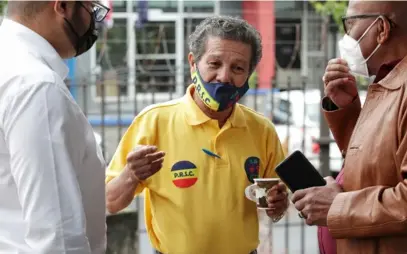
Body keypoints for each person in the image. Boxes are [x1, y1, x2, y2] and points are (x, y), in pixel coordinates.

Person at [105, 15, 289, 254]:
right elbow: (111, 201)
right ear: (193, 63)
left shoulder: (261, 130)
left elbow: (276, 202)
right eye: (214, 64)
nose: (224, 77)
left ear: (249, 74)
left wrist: (278, 206)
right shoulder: (153, 122)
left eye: (238, 68)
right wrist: (130, 174)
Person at [291, 1, 407, 254]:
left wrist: (336, 205)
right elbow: (379, 167)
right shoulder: (397, 78)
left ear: (381, 28)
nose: (346, 37)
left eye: (350, 24)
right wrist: (348, 110)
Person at [0, 1, 110, 253]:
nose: (94, 19)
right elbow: (57, 234)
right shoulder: (36, 86)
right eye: (90, 8)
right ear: (62, 6)